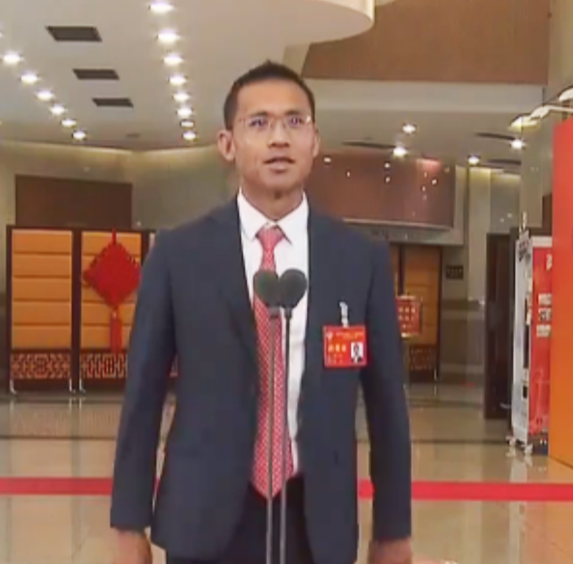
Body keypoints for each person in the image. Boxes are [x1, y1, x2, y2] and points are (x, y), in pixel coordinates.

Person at [110, 61, 413, 564]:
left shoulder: (360, 260)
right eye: (259, 123)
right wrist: (128, 523)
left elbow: (387, 407)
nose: (279, 138)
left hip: (316, 521)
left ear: (315, 141)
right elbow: (142, 395)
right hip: (202, 517)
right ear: (227, 143)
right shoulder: (178, 255)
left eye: (295, 122)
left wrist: (394, 529)